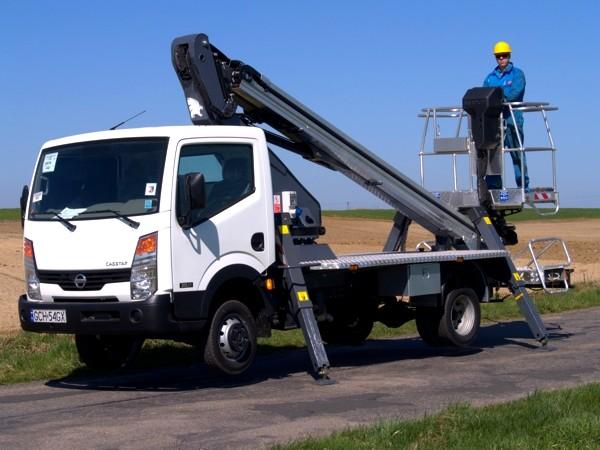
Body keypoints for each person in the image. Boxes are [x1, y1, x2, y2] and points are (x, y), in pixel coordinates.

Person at [483, 41, 529, 190]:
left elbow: (516, 91)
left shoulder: (517, 74)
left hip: (512, 119)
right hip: (495, 121)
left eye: (504, 56)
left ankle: (523, 185)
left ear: (509, 56)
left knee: (516, 152)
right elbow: (484, 94)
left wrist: (501, 99)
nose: (501, 59)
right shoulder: (490, 78)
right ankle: (493, 186)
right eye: (498, 56)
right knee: (493, 152)